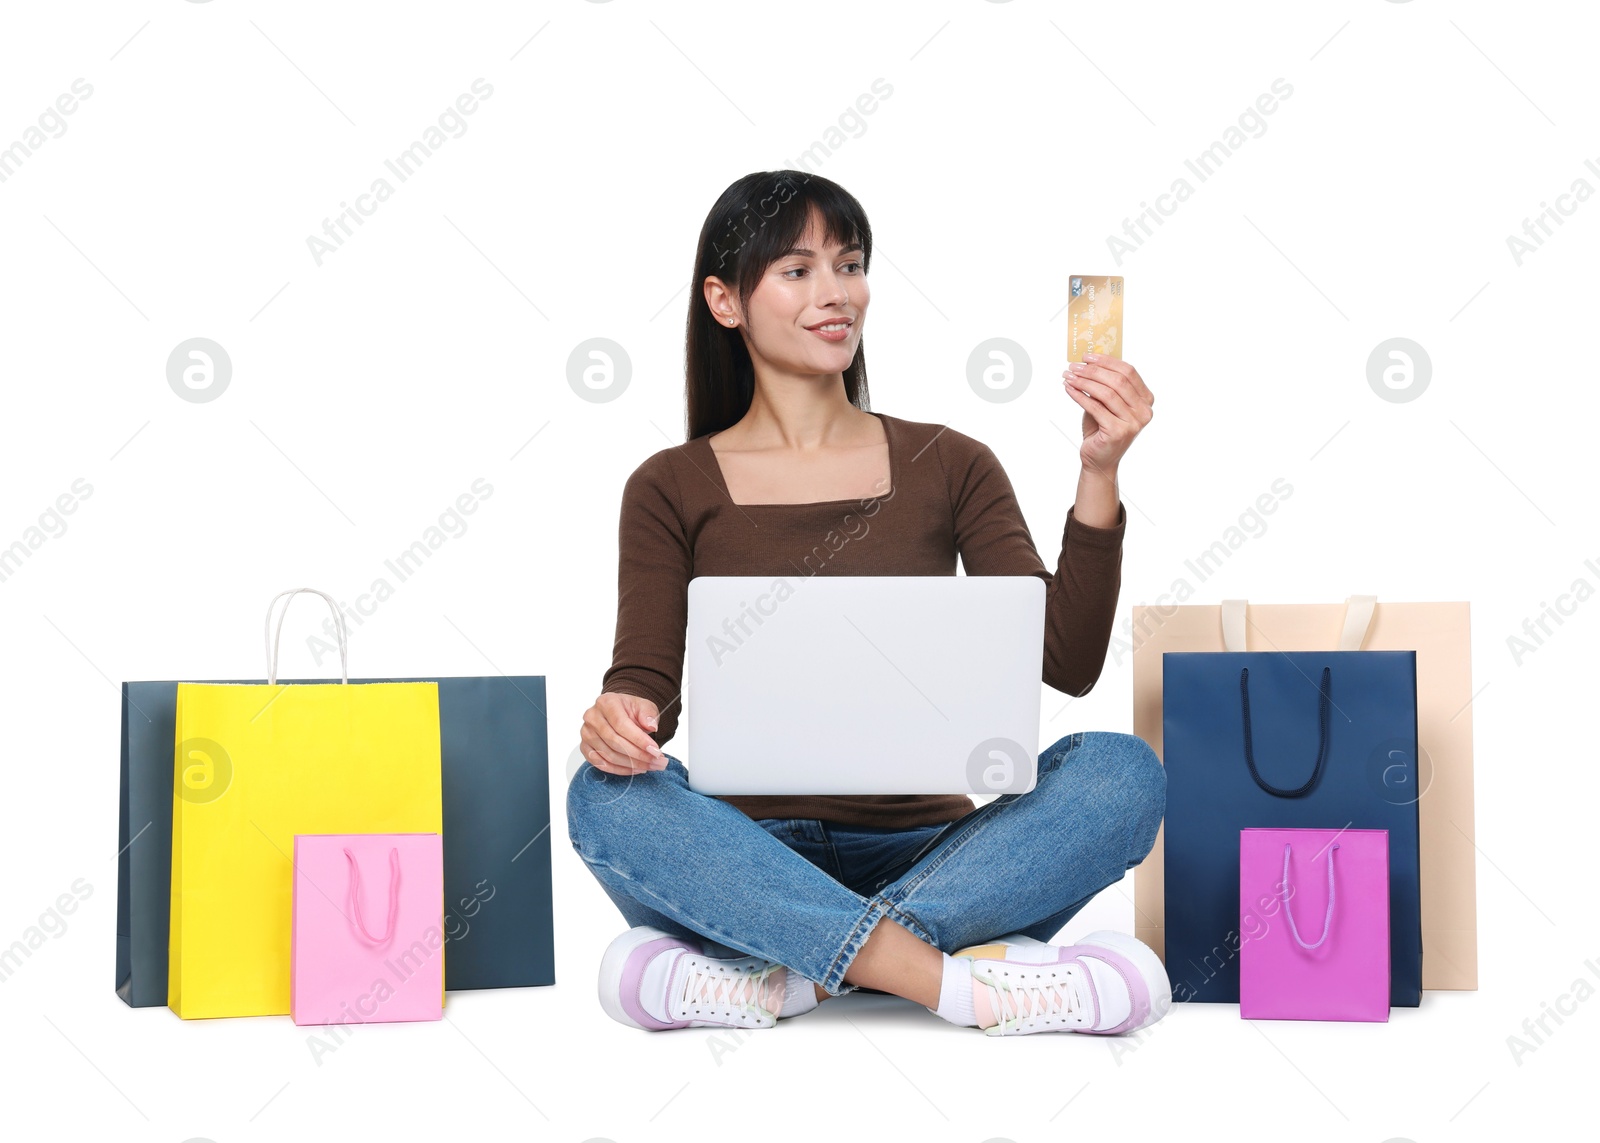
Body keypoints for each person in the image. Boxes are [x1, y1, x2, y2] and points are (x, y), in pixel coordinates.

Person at [568, 170, 1168, 1037]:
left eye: (850, 265)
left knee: (1122, 771)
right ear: (724, 300)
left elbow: (1067, 661)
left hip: (937, 855)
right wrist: (618, 720)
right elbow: (646, 689)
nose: (837, 294)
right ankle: (950, 983)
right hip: (743, 855)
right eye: (799, 270)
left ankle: (784, 971)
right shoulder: (670, 485)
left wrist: (1100, 474)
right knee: (603, 795)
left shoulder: (951, 463)